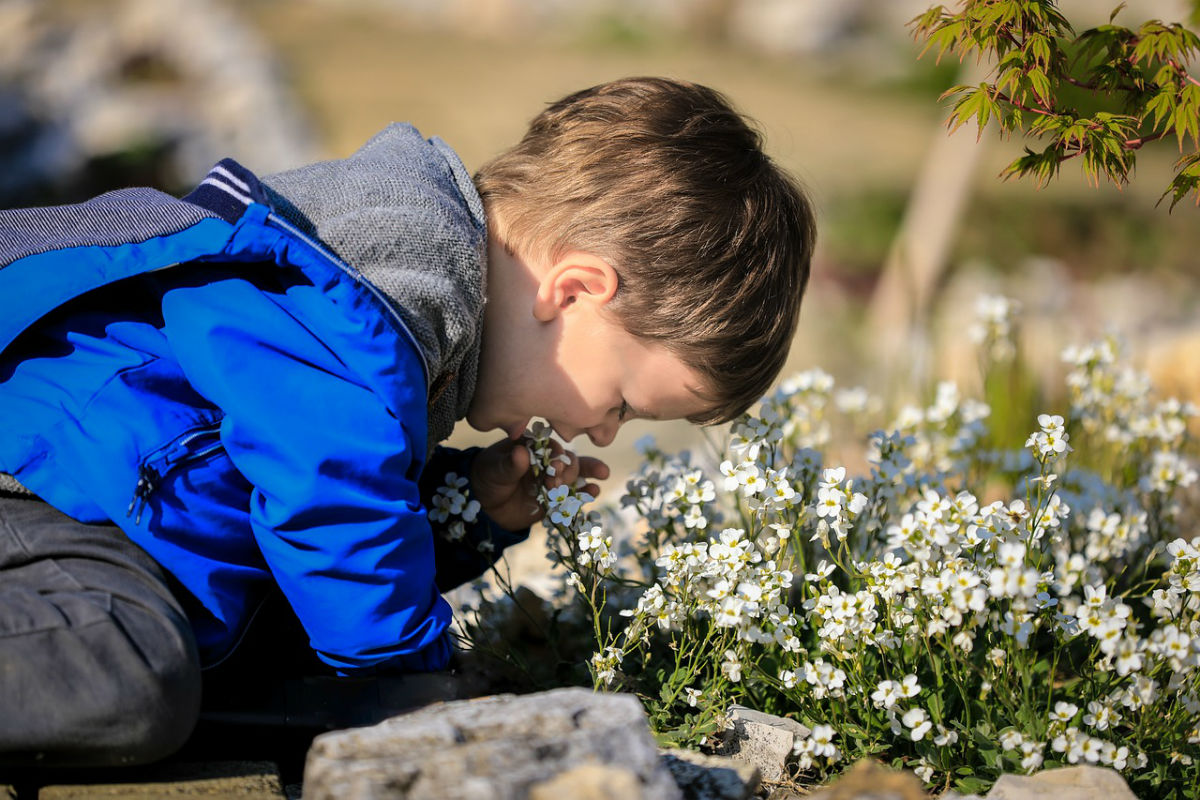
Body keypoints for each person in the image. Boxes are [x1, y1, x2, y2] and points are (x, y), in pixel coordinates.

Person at [0, 77, 815, 766]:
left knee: (195, 669)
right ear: (572, 291)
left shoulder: (396, 306)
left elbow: (313, 485)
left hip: (87, 517)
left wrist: (465, 510)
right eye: (626, 401)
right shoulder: (392, 279)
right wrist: (417, 693)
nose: (605, 432)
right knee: (127, 665)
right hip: (34, 493)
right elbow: (326, 488)